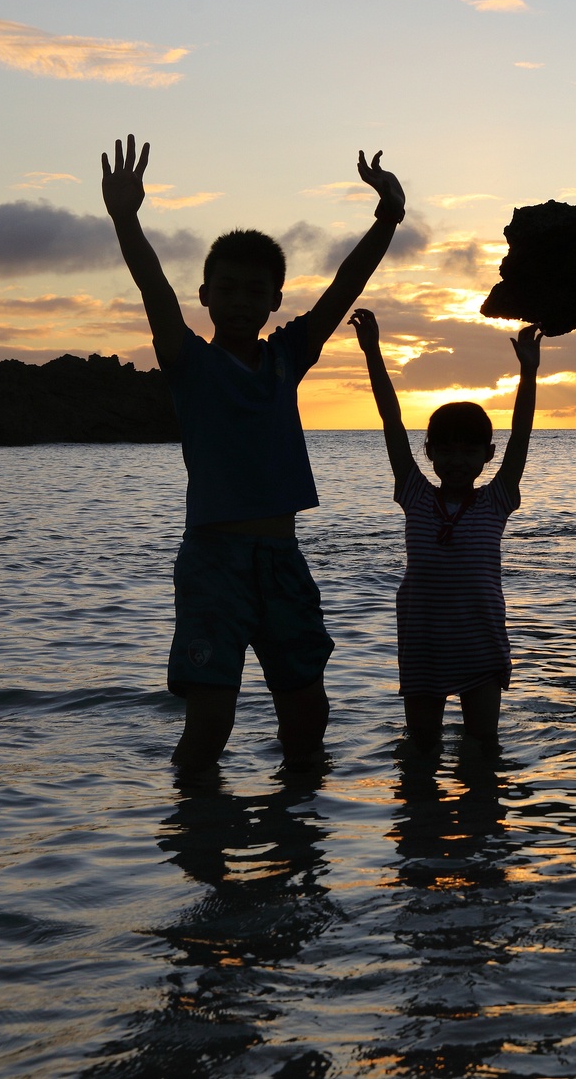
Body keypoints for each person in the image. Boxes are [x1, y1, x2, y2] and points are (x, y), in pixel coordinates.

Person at [101, 133, 407, 770]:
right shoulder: (189, 362)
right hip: (214, 563)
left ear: (274, 301)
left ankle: (298, 824)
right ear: (206, 295)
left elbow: (342, 289)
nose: (240, 302)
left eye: (254, 291)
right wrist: (126, 219)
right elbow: (153, 289)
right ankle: (196, 823)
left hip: (282, 559)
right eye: (227, 289)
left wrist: (388, 218)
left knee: (308, 712)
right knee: (211, 721)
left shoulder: (286, 357)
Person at [348, 306, 541, 754]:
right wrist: (372, 352)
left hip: (480, 641)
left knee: (483, 746)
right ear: (429, 452)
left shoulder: (496, 500)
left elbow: (522, 435)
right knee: (421, 748)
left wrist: (528, 373)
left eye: (469, 452)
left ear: (487, 455)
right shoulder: (414, 494)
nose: (457, 461)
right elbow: (391, 421)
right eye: (446, 451)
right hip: (424, 641)